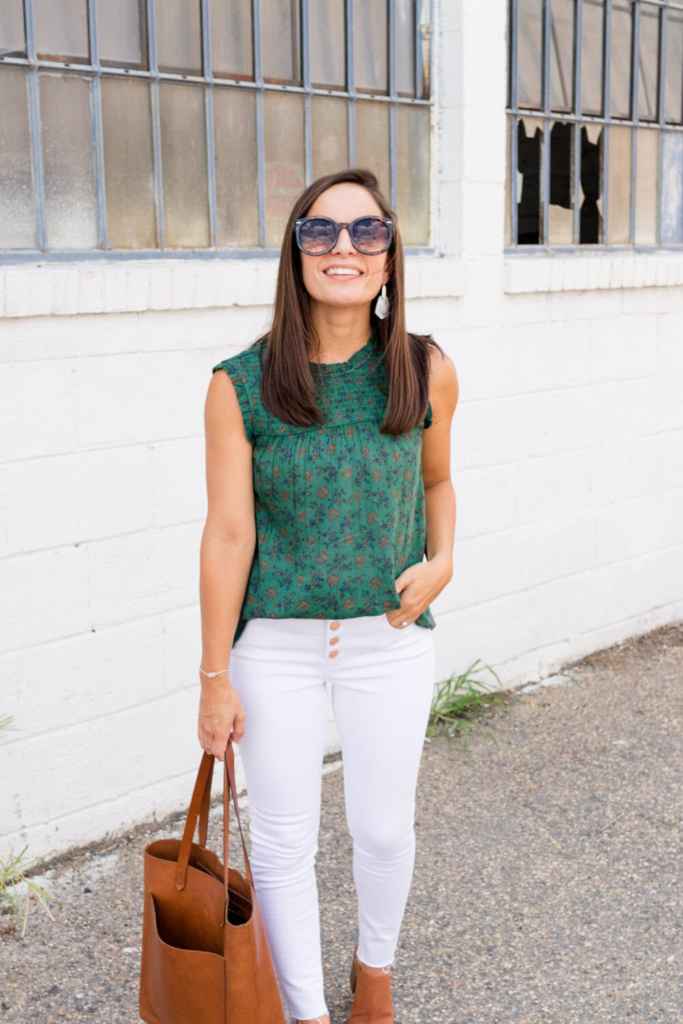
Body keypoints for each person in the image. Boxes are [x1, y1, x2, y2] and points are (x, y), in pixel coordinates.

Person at [198, 168, 459, 1024]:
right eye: (320, 231)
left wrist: (443, 559)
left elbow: (437, 481)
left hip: (389, 638)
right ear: (295, 252)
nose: (342, 247)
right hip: (274, 648)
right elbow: (228, 536)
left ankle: (372, 975)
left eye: (365, 231)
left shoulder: (424, 368)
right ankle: (305, 1010)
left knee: (383, 829)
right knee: (282, 841)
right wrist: (213, 678)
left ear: (389, 256)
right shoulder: (240, 384)